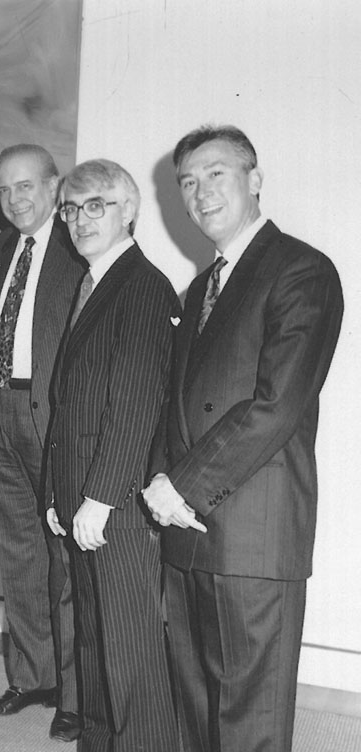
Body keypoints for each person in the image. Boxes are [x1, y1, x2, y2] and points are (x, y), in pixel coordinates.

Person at [142, 125, 343, 752]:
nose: (200, 193)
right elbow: (171, 405)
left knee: (249, 722)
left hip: (254, 531)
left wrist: (183, 488)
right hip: (187, 528)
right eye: (188, 182)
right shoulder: (199, 289)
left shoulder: (303, 270)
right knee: (196, 708)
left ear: (255, 180)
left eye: (216, 174)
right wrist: (157, 483)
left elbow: (277, 404)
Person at [45, 160, 179, 751]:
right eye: (71, 209)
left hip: (114, 500)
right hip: (82, 495)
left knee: (130, 649)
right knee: (95, 640)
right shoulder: (93, 280)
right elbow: (70, 401)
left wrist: (97, 498)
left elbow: (134, 404)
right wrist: (58, 493)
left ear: (128, 211)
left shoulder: (143, 285)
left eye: (95, 204)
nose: (80, 219)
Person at [0, 144, 85, 741]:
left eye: (27, 187)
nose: (15, 200)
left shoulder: (80, 247)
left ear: (53, 188)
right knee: (16, 550)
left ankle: (73, 692)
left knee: (66, 559)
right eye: (5, 190)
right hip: (0, 412)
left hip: (54, 419)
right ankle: (32, 676)